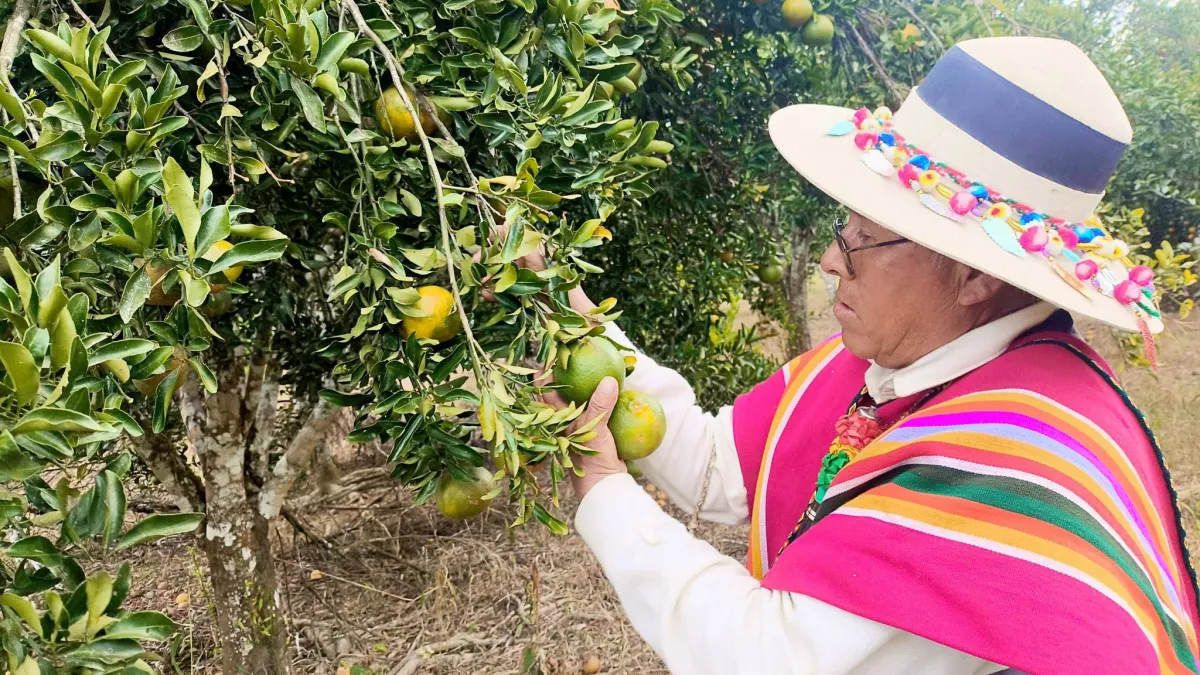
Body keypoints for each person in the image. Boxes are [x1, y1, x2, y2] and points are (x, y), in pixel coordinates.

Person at [548, 37, 1200, 674]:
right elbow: (720, 464)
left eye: (867, 236)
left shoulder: (1014, 458)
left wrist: (603, 489)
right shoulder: (901, 364)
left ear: (977, 278)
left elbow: (764, 656)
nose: (833, 259)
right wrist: (568, 313)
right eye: (844, 224)